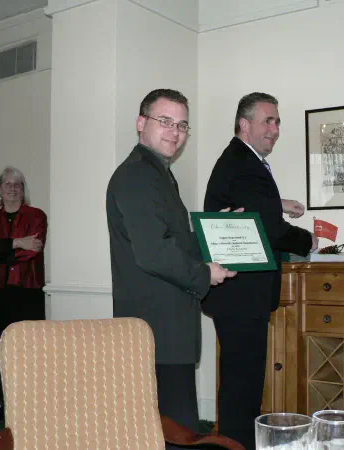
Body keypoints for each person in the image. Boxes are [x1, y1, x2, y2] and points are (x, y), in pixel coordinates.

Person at [106, 88, 236, 444]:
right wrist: (204, 273)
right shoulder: (137, 175)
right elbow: (154, 252)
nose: (175, 132)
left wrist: (216, 231)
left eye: (182, 125)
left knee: (170, 429)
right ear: (141, 123)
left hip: (165, 328)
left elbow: (171, 239)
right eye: (165, 121)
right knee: (173, 431)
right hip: (156, 330)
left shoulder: (158, 173)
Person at [203, 92, 318, 450]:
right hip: (241, 296)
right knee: (243, 389)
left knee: (242, 386)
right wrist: (309, 240)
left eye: (277, 121)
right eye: (268, 120)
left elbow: (251, 207)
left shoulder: (241, 161)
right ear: (244, 123)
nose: (275, 129)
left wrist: (278, 203)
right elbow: (268, 227)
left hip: (238, 296)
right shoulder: (245, 164)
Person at [0, 166, 47, 428]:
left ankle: (27, 408)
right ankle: (0, 406)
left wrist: (1, 254)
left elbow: (33, 250)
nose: (13, 188)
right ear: (0, 189)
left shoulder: (37, 216)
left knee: (27, 350)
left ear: (23, 189)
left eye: (17, 184)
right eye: (7, 184)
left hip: (27, 290)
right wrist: (17, 242)